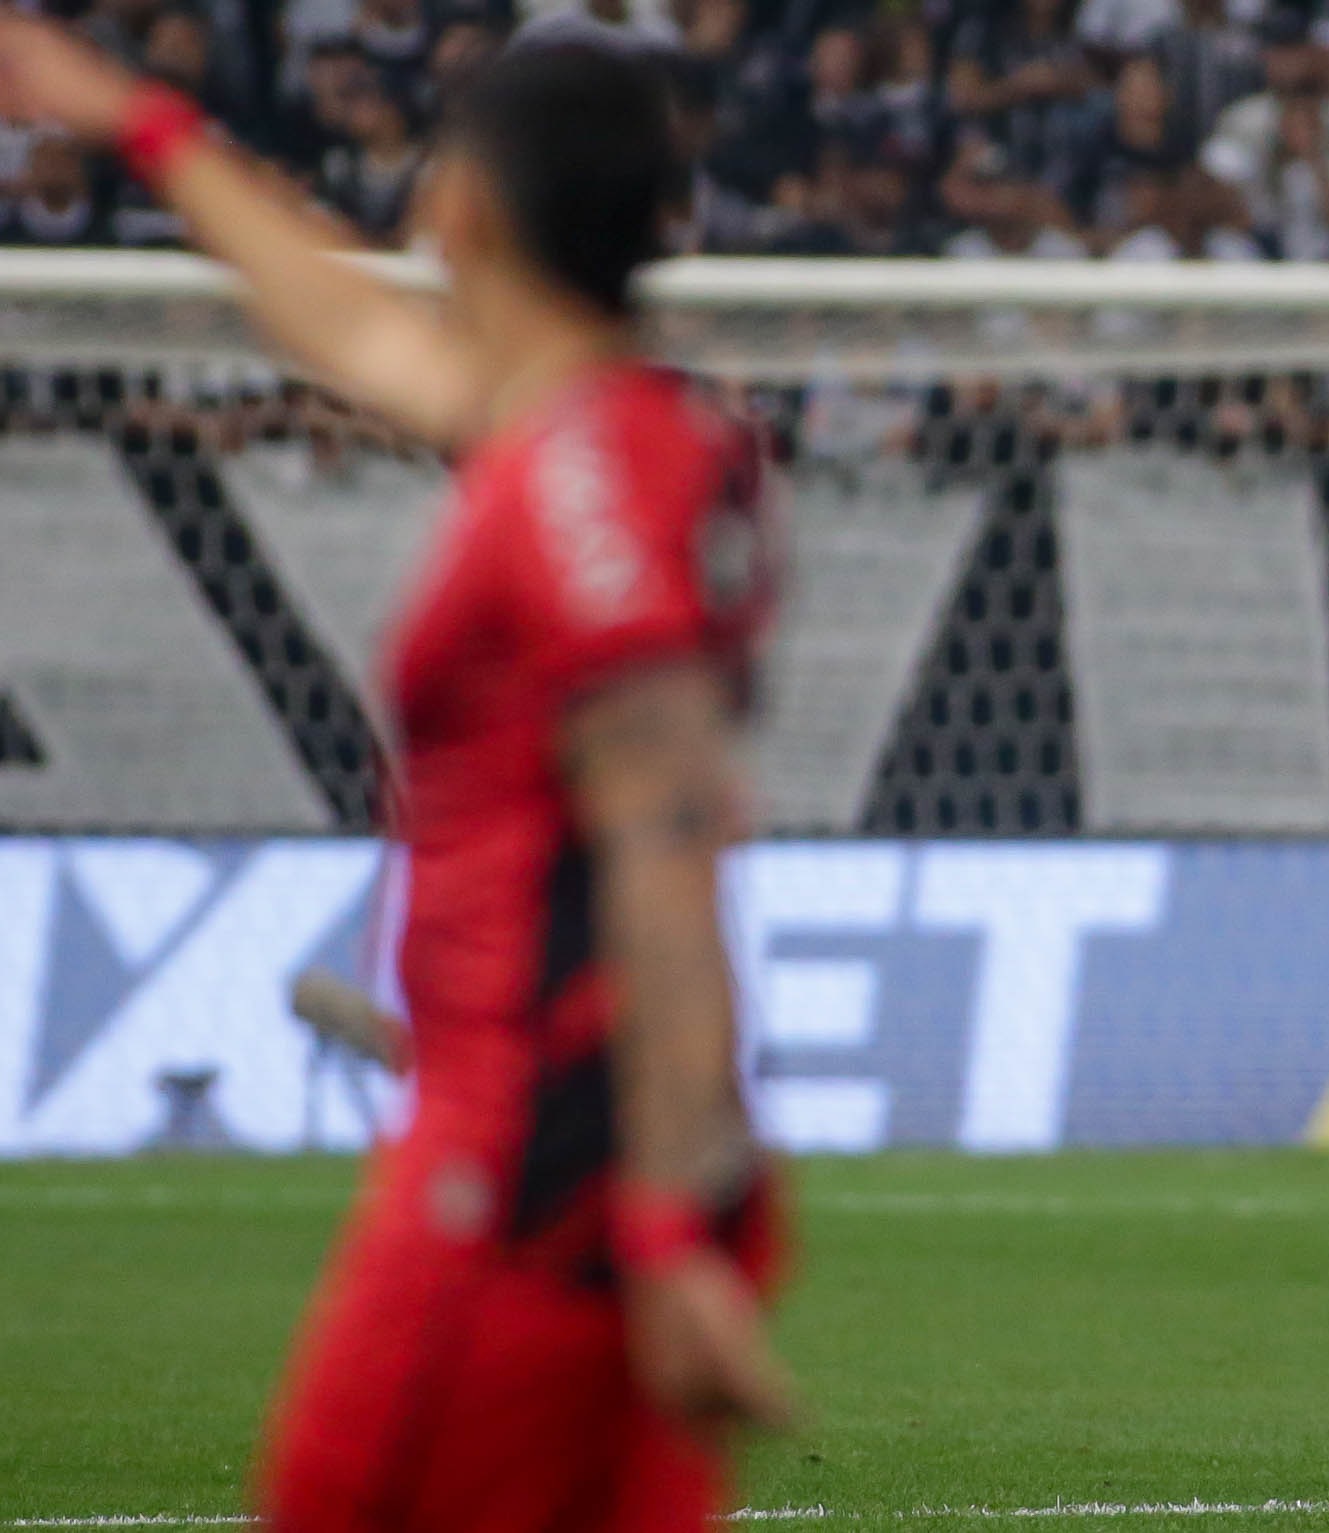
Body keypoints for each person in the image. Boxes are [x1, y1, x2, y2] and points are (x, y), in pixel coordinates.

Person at [0, 17, 793, 1533]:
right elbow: (339, 325)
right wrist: (145, 125)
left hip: (535, 1179)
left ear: (467, 210)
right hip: (572, 1163)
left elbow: (668, 834)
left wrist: (663, 1220)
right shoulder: (590, 435)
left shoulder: (576, 482)